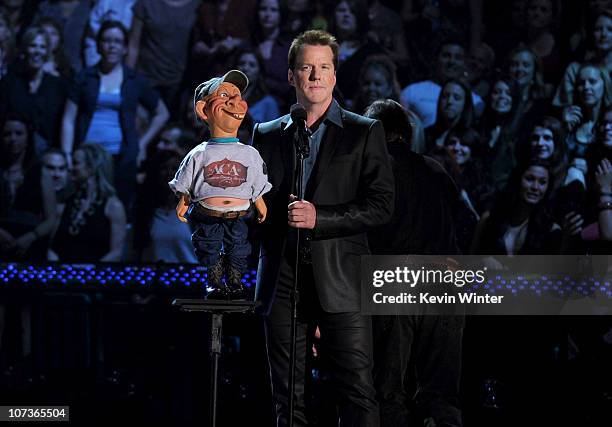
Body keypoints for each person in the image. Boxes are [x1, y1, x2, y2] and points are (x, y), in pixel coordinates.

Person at [252, 30, 394, 426]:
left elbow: (382, 206)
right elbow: (255, 212)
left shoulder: (364, 131)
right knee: (286, 397)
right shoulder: (264, 134)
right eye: (307, 67)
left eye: (324, 67)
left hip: (342, 280)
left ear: (335, 76)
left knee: (357, 392)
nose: (316, 75)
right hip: (282, 278)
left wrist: (321, 218)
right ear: (291, 76)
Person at [364, 98, 464, 427]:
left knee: (388, 392)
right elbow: (465, 225)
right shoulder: (436, 170)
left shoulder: (371, 173)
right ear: (407, 134)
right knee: (441, 396)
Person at [169, 69, 271, 299]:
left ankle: (235, 282)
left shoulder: (250, 153)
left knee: (238, 250)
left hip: (239, 215)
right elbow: (186, 183)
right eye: (225, 95)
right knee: (210, 248)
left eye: (238, 96)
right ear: (203, 110)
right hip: (207, 214)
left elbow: (257, 184)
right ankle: (214, 282)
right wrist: (183, 202)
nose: (235, 101)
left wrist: (261, 204)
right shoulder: (199, 154)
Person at [61, 20, 169, 209]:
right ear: (98, 45)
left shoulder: (133, 80)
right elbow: (68, 119)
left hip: (121, 156)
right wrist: (67, 154)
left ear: (125, 48)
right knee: (84, 206)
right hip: (88, 155)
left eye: (117, 41)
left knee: (118, 207)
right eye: (107, 40)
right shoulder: (84, 78)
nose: (112, 46)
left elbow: (162, 113)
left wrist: (141, 143)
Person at [49, 143, 126, 262]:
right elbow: (53, 247)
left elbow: (116, 252)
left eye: (76, 163)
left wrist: (89, 272)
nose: (71, 168)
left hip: (95, 276)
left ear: (91, 167)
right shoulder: (68, 203)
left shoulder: (113, 206)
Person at [400, 42, 484, 128]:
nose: (451, 61)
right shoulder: (412, 91)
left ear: (465, 63)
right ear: (436, 59)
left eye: (458, 58)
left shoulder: (475, 102)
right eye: (446, 56)